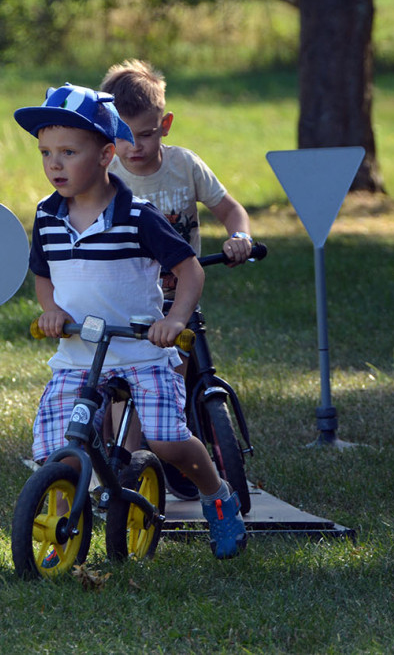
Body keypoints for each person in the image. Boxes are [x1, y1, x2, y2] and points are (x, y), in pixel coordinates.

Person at [14, 83, 246, 560]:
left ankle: (217, 497)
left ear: (105, 155)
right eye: (46, 153)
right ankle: (62, 530)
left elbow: (189, 270)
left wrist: (174, 318)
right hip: (80, 355)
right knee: (60, 449)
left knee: (167, 442)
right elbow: (43, 274)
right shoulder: (47, 215)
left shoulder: (138, 216)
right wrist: (51, 310)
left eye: (68, 152)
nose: (54, 164)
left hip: (141, 349)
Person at [99, 59, 254, 294]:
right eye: (122, 137)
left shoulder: (185, 165)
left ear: (165, 125)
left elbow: (231, 210)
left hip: (181, 298)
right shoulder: (105, 176)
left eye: (145, 134)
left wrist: (240, 237)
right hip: (125, 299)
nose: (135, 146)